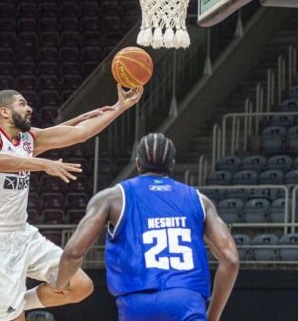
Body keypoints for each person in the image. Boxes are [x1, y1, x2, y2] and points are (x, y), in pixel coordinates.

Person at [0, 85, 143, 321]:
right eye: (21, 103)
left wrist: (119, 107)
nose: (29, 108)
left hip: (24, 233)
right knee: (14, 318)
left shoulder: (28, 140)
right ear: (4, 112)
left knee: (80, 285)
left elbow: (80, 133)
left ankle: (8, 306)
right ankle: (8, 309)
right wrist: (44, 164)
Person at [53, 133, 239, 321]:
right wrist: (213, 317)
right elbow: (230, 260)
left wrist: (59, 286)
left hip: (137, 302)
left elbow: (73, 252)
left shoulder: (112, 198)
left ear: (138, 164)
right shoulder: (200, 201)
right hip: (186, 301)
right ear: (172, 165)